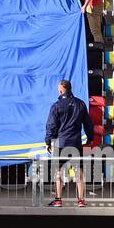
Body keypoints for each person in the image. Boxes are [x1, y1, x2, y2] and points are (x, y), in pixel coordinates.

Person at [45, 79, 97, 208]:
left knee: (58, 172)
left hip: (61, 142)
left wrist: (48, 141)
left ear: (61, 90)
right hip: (75, 142)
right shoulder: (80, 104)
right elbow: (88, 123)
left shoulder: (56, 105)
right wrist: (90, 137)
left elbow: (51, 125)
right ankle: (81, 200)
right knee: (78, 172)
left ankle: (58, 200)